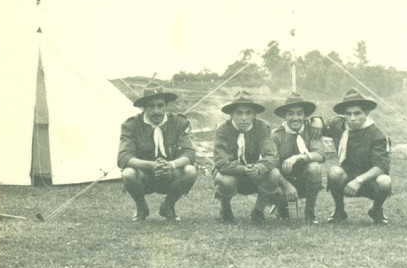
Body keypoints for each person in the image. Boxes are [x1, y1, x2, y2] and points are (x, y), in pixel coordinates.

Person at [118, 82, 197, 222]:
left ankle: (168, 205)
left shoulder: (178, 122)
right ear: (144, 108)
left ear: (166, 106)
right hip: (144, 175)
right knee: (128, 173)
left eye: (160, 106)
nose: (156, 111)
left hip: (171, 173)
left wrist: (171, 165)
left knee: (190, 170)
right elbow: (124, 157)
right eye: (151, 106)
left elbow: (189, 153)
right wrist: (151, 165)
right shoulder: (131, 125)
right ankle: (141, 208)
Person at [322, 88, 392, 225]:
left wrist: (359, 180)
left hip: (369, 180)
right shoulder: (339, 124)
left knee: (385, 181)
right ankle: (339, 210)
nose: (352, 118)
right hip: (347, 177)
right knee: (334, 172)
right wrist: (316, 120)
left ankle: (376, 210)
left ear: (366, 113)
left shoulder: (377, 133)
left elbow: (381, 166)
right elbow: (319, 127)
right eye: (348, 114)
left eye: (357, 113)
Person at [213, 90, 281, 224]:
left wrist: (259, 167)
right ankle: (225, 210)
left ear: (254, 115)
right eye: (239, 113)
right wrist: (242, 169)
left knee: (274, 173)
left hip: (254, 172)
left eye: (248, 113)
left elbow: (272, 155)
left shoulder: (262, 127)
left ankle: (258, 212)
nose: (244, 118)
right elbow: (221, 161)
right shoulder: (222, 130)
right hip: (231, 173)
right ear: (231, 114)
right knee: (224, 180)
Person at [272, 92, 326, 224]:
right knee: (272, 178)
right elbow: (271, 165)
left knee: (314, 167)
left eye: (299, 113)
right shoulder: (276, 135)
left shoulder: (311, 130)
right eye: (290, 114)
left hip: (304, 180)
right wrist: (286, 185)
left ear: (305, 115)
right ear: (284, 116)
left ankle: (310, 213)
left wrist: (298, 157)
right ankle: (282, 208)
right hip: (282, 181)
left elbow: (320, 154)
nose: (295, 118)